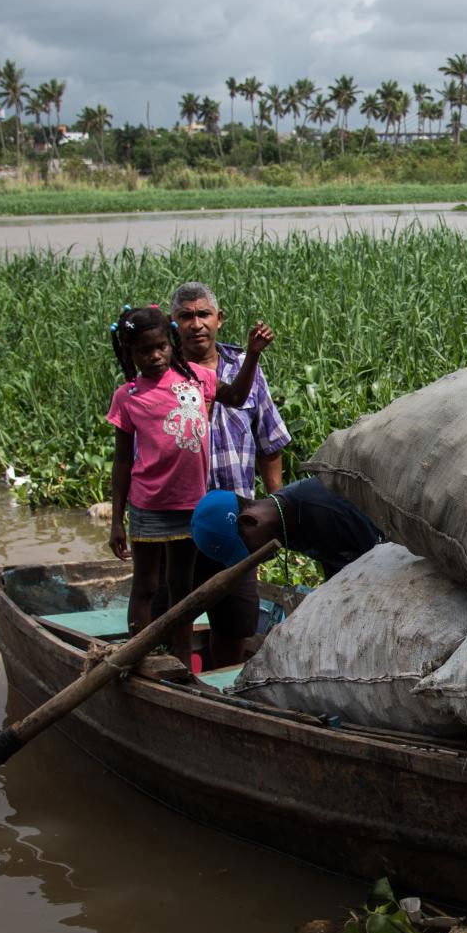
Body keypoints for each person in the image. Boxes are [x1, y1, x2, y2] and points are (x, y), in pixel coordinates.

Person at [107, 304, 274, 667]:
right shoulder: (128, 396)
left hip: (190, 505)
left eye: (161, 347)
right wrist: (117, 519)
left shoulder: (197, 379)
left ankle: (181, 662)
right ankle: (136, 658)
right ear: (129, 354)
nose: (154, 356)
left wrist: (253, 357)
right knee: (147, 586)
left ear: (172, 343)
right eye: (143, 351)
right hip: (148, 506)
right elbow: (121, 462)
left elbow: (238, 397)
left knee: (182, 590)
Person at [169, 281, 292, 669]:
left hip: (233, 518)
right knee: (176, 608)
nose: (196, 324)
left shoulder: (244, 369)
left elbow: (269, 443)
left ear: (219, 320)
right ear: (174, 324)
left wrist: (277, 507)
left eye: (204, 314)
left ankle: (224, 685)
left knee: (235, 618)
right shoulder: (163, 375)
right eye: (186, 316)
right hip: (180, 517)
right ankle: (182, 682)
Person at [191, 478, 384, 583]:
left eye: (249, 551)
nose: (258, 560)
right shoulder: (285, 525)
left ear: (249, 521)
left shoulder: (322, 510)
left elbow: (383, 562)